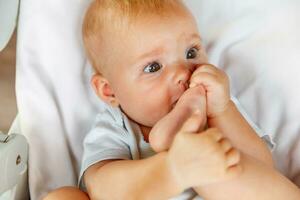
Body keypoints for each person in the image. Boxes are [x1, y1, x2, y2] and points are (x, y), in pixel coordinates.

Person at [44, 0, 300, 199]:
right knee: (63, 197)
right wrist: (172, 170)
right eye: (153, 67)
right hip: (158, 179)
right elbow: (103, 190)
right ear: (110, 91)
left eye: (191, 52)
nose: (183, 72)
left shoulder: (216, 105)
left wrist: (223, 110)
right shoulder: (118, 127)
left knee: (219, 169)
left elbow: (265, 169)